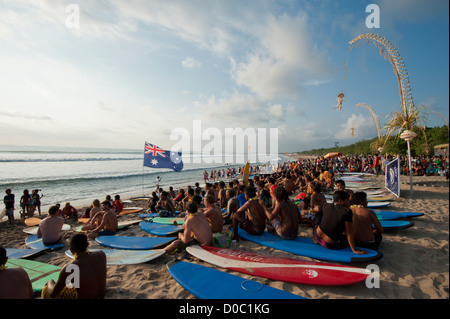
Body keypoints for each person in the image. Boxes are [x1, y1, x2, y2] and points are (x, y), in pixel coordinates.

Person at [42, 234, 106, 299]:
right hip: (101, 295)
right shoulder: (101, 254)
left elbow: (53, 294)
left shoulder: (70, 268)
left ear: (72, 250)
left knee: (45, 290)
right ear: (87, 244)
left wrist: (50, 282)